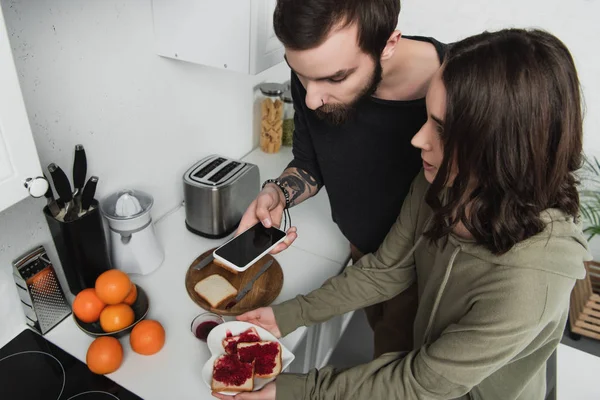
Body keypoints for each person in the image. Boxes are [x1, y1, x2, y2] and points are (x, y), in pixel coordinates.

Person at [214, 28, 590, 400]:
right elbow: (387, 270)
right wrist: (288, 316)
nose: (418, 139)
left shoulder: (530, 282)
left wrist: (297, 391)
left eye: (440, 129)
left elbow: (420, 383)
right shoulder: (440, 183)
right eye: (427, 118)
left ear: (500, 149)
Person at [238, 0, 446, 358]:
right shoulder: (314, 68)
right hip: (361, 259)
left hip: (427, 278)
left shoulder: (458, 90)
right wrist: (277, 194)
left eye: (335, 78)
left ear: (389, 43)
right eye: (301, 75)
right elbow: (309, 164)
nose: (313, 99)